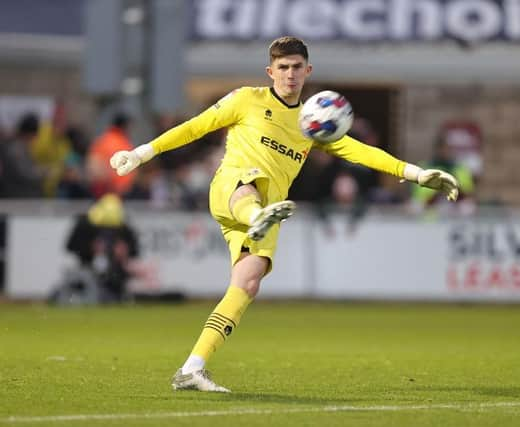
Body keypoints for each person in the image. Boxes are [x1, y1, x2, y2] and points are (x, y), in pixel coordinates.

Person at [109, 36, 459, 392]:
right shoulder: (246, 99)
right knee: (251, 184)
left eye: (296, 68)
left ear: (307, 71)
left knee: (247, 284)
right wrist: (141, 153)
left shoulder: (313, 124)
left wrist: (415, 173)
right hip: (232, 191)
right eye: (283, 68)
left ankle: (192, 368)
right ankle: (257, 216)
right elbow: (196, 126)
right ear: (270, 71)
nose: (289, 75)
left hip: (266, 212)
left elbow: (363, 152)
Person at [49, 193, 140, 304]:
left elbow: (135, 251)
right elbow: (70, 246)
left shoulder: (124, 228)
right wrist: (90, 248)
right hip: (87, 268)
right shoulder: (84, 225)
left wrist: (125, 251)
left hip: (116, 272)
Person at [87, 112, 137, 198]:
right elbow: (95, 165)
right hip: (111, 191)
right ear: (124, 125)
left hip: (120, 191)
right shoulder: (110, 141)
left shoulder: (111, 140)